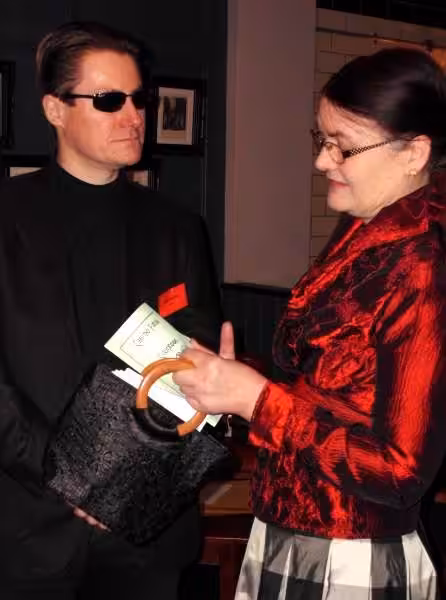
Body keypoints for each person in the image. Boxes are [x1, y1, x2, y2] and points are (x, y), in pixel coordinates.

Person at [174, 47, 446, 599]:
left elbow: (400, 472)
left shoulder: (421, 267)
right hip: (297, 524)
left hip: (351, 554)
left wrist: (256, 400)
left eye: (343, 145)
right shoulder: (366, 229)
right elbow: (332, 386)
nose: (323, 161)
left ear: (414, 153)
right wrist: (235, 382)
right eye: (320, 139)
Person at [0, 21, 222, 600]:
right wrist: (75, 478)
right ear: (55, 109)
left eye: (138, 99)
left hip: (147, 529)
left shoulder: (178, 227)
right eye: (108, 100)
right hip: (27, 529)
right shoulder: (6, 216)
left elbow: (192, 356)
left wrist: (123, 481)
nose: (133, 116)